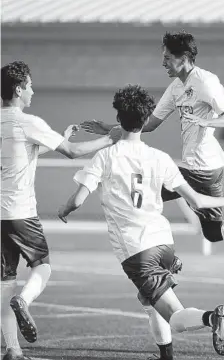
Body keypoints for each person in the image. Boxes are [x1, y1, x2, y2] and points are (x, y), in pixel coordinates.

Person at [58, 84, 224, 359]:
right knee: (148, 301)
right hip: (164, 244)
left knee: (175, 316)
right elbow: (197, 201)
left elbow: (76, 201)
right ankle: (165, 356)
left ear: (118, 120)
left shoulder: (105, 156)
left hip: (137, 249)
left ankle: (210, 318)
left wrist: (63, 210)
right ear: (146, 120)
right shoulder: (160, 158)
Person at [80, 30, 224, 248]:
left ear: (184, 58)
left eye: (168, 58)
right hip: (201, 167)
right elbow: (149, 124)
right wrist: (108, 128)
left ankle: (162, 255)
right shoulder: (176, 87)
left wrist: (207, 122)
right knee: (213, 232)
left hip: (202, 167)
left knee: (138, 199)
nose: (163, 63)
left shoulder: (205, 81)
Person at [1, 61, 120, 360]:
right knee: (43, 266)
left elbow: (25, 148)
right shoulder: (26, 121)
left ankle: (12, 350)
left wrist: (59, 137)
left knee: (4, 281)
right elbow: (72, 152)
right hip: (20, 212)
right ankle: (24, 301)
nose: (33, 90)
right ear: (18, 89)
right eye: (29, 85)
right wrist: (109, 139)